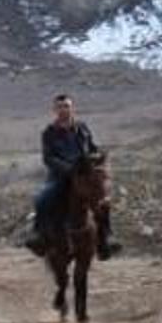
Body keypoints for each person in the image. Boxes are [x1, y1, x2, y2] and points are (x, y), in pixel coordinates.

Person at [25, 93, 121, 260]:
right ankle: (38, 236)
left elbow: (92, 148)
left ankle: (106, 239)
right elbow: (48, 158)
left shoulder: (82, 128)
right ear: (54, 110)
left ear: (72, 108)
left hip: (84, 175)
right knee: (42, 198)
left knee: (102, 201)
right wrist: (68, 169)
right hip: (60, 175)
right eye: (60, 107)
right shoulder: (49, 132)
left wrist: (98, 157)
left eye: (67, 106)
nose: (64, 110)